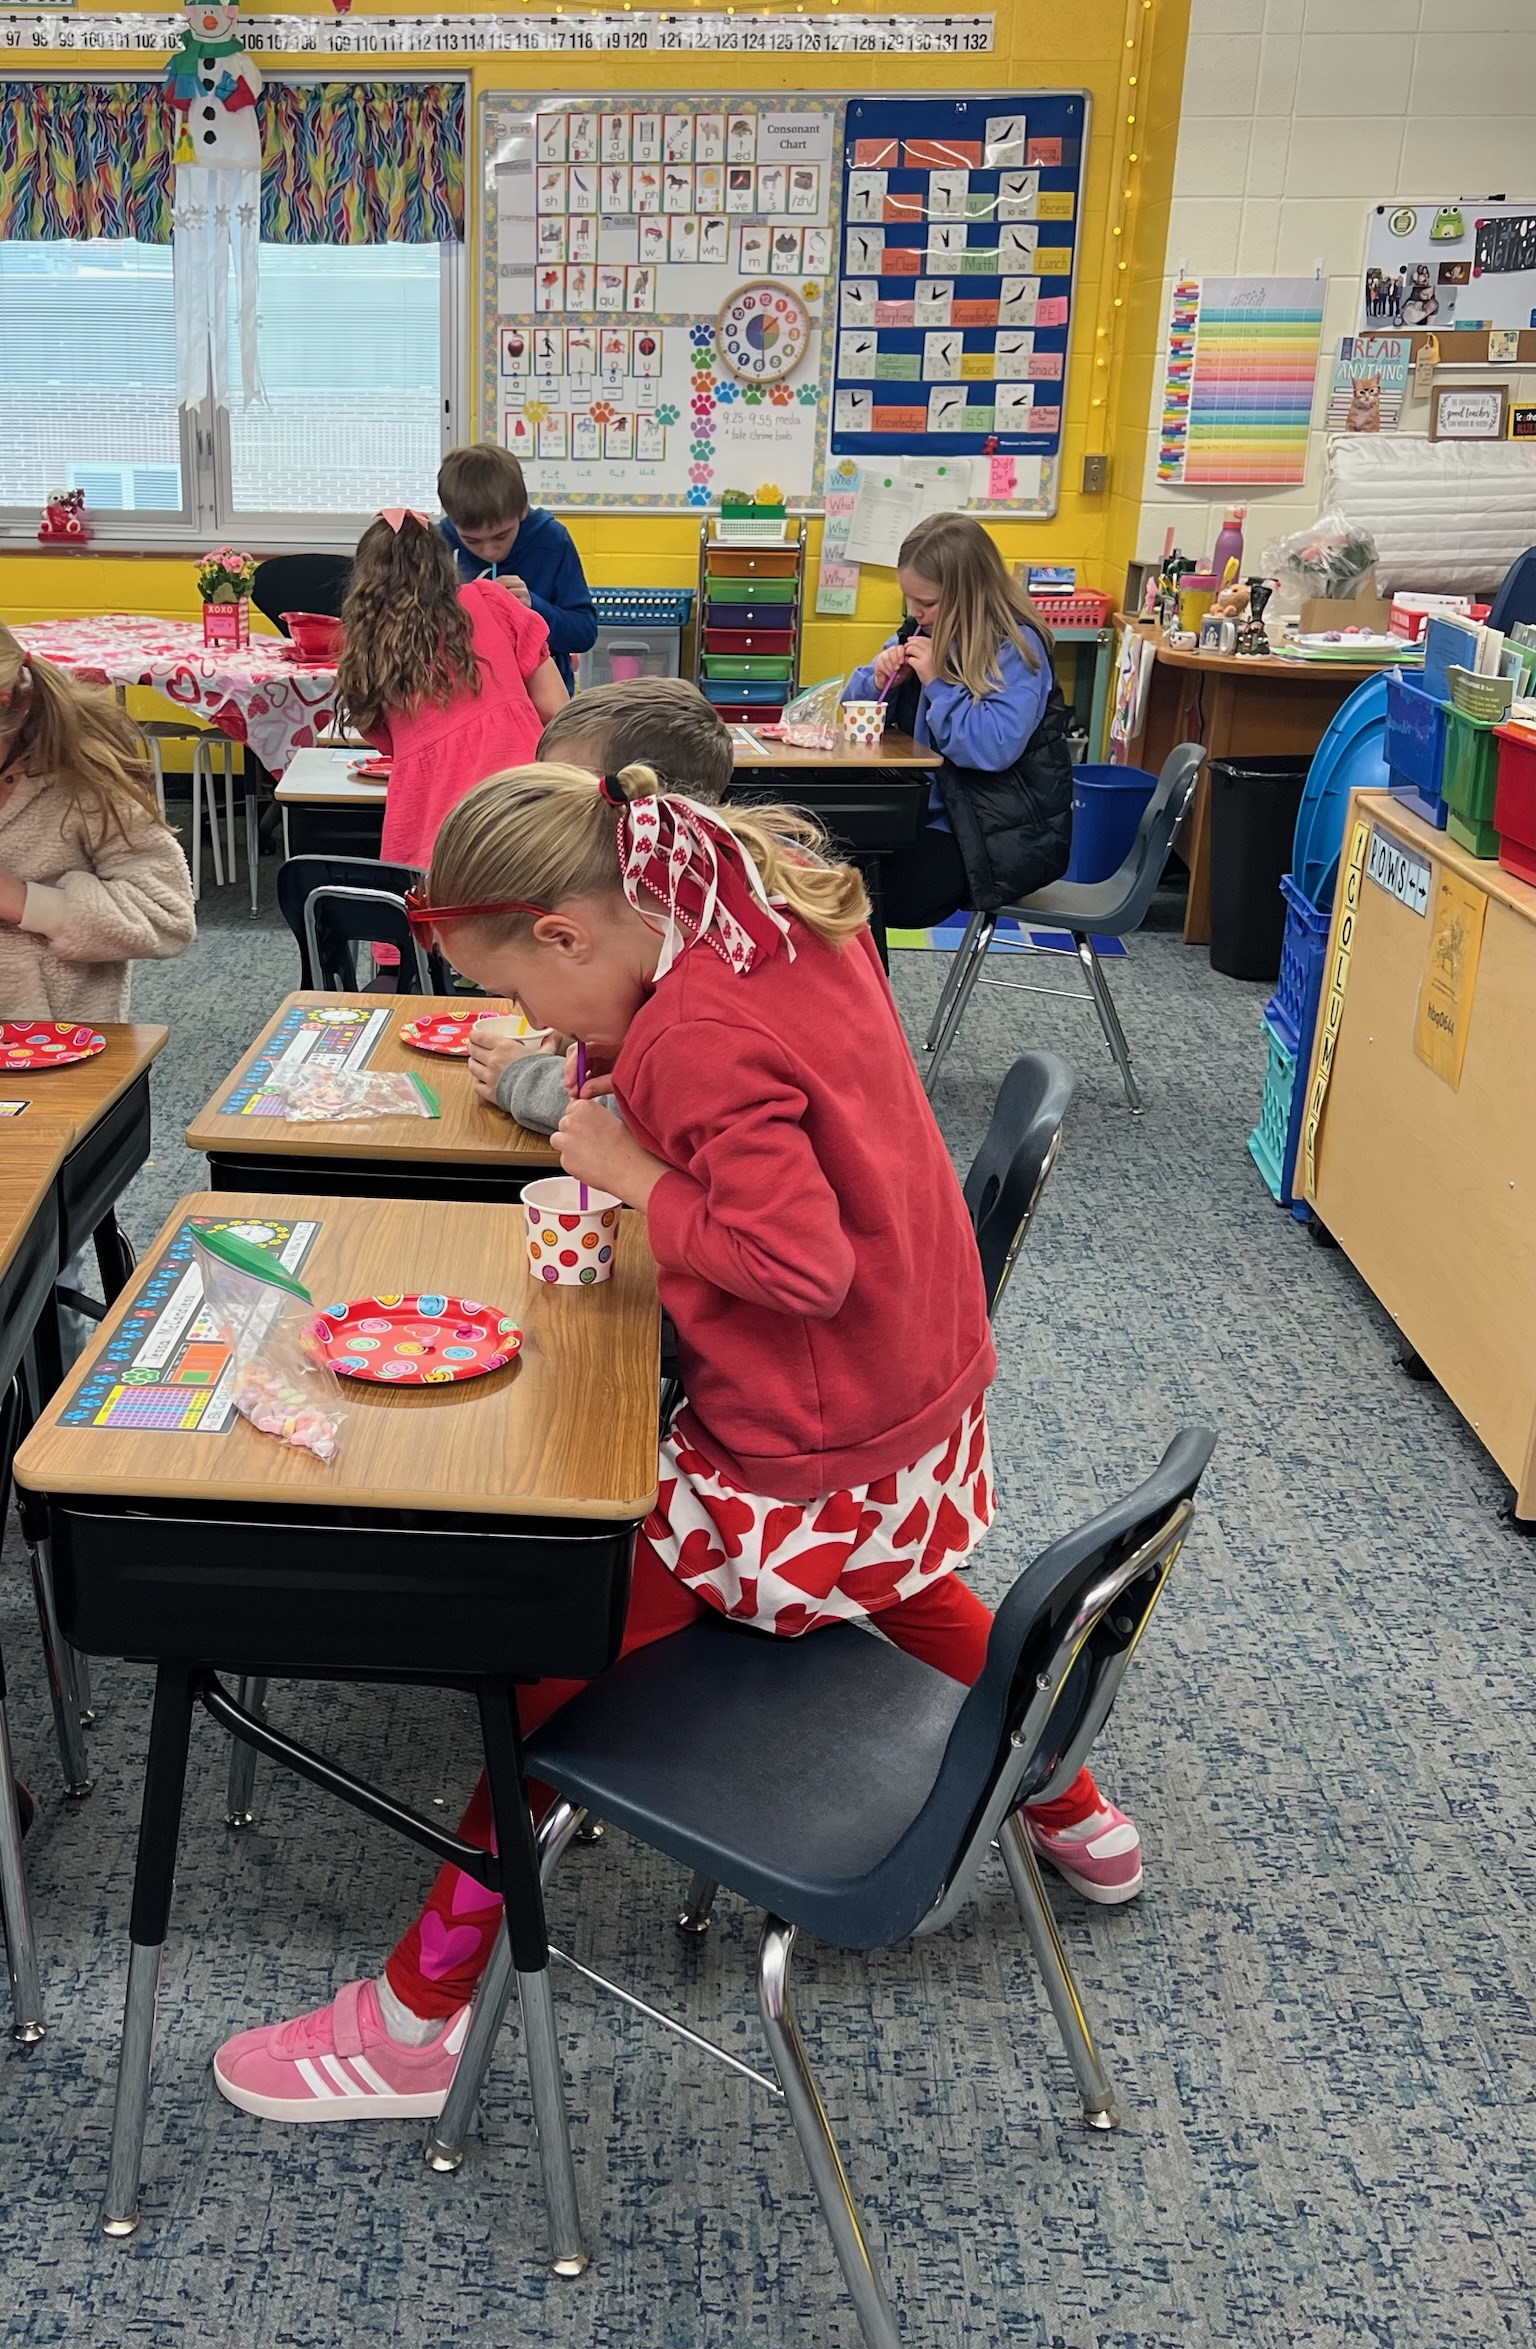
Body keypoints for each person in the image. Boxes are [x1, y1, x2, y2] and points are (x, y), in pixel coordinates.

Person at [212, 762, 1142, 2123]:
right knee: (889, 1573)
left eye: (524, 992)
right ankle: (1077, 1813)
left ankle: (417, 2022)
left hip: (802, 1432)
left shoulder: (690, 1035)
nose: (530, 1022)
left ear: (567, 932)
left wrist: (632, 1170)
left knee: (544, 1661)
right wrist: (600, 1087)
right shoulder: (764, 910)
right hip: (910, 1393)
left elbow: (799, 1264)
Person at [469, 677, 734, 1134]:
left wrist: (523, 1079)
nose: (549, 817)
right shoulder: (668, 897)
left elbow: (661, 1111)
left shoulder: (708, 947)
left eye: (572, 798)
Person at [842, 512, 1073, 929]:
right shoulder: (921, 630)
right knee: (828, 862)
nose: (917, 613)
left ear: (970, 594)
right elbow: (854, 718)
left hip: (990, 837)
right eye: (909, 599)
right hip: (921, 815)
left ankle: (861, 974)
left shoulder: (1016, 648)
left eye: (928, 603)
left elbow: (992, 748)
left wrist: (938, 684)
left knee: (861, 892)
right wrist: (878, 681)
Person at [336, 508, 568, 877]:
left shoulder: (368, 645)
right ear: (443, 562)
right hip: (519, 796)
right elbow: (556, 708)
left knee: (440, 903)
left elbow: (383, 740)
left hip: (431, 811)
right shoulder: (491, 599)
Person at [0, 623, 193, 1019]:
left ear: (15, 708)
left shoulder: (84, 773)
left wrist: (24, 902)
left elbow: (166, 918)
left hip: (60, 1036)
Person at [437, 444, 598, 694]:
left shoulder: (551, 539)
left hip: (540, 701)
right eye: (472, 541)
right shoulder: (438, 544)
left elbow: (584, 633)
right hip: (468, 697)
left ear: (521, 510)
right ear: (451, 520)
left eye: (501, 536)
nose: (490, 551)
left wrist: (532, 607)